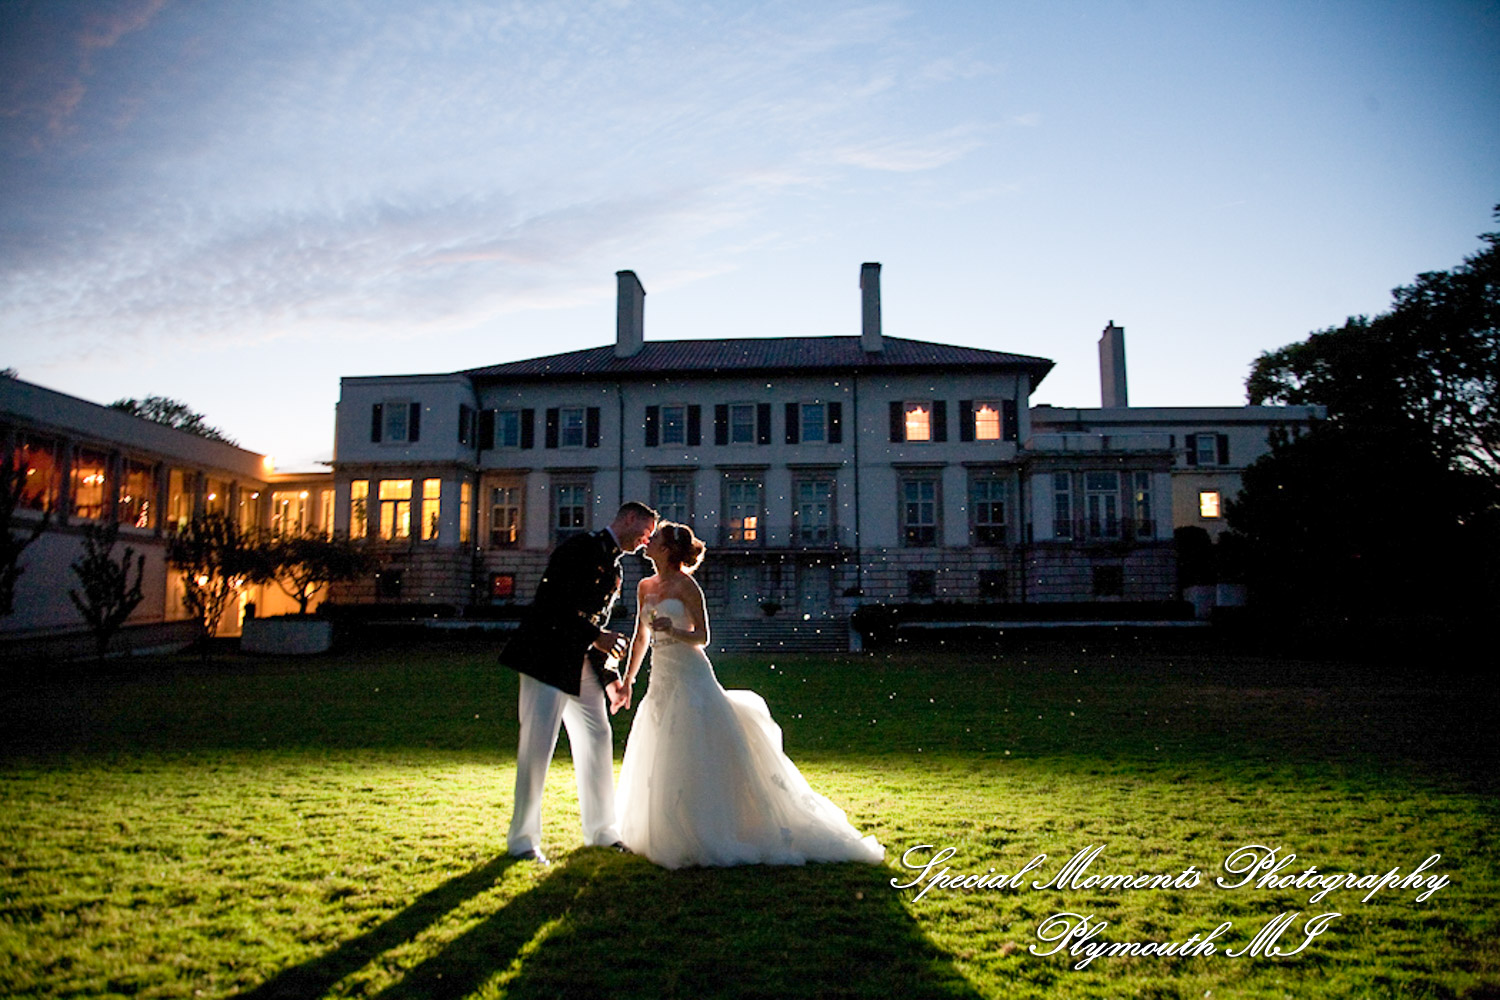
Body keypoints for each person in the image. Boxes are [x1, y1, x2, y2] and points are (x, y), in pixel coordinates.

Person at [614, 522, 884, 869]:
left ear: (666, 550)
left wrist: (674, 630)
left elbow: (703, 637)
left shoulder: (687, 586)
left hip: (690, 672)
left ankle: (705, 826)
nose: (648, 542)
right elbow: (640, 637)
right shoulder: (645, 585)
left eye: (656, 539)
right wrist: (629, 680)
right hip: (660, 676)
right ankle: (666, 827)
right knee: (660, 743)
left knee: (693, 744)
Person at [499, 501, 658, 864]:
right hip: (545, 655)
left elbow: (593, 621)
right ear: (629, 518)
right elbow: (551, 604)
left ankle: (602, 832)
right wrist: (595, 635)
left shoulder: (615, 568)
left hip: (579, 659)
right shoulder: (579, 547)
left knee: (598, 737)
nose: (646, 541)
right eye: (645, 531)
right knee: (537, 748)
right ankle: (522, 841)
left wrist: (610, 679)